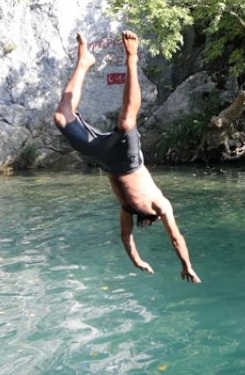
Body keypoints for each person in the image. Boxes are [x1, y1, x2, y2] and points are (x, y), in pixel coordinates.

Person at [53, 30, 200, 284]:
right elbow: (176, 238)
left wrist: (137, 260)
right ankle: (132, 58)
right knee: (126, 120)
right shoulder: (161, 205)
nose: (147, 223)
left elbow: (126, 237)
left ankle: (84, 62)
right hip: (130, 161)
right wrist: (186, 265)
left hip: (105, 160)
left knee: (61, 118)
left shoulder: (127, 209)